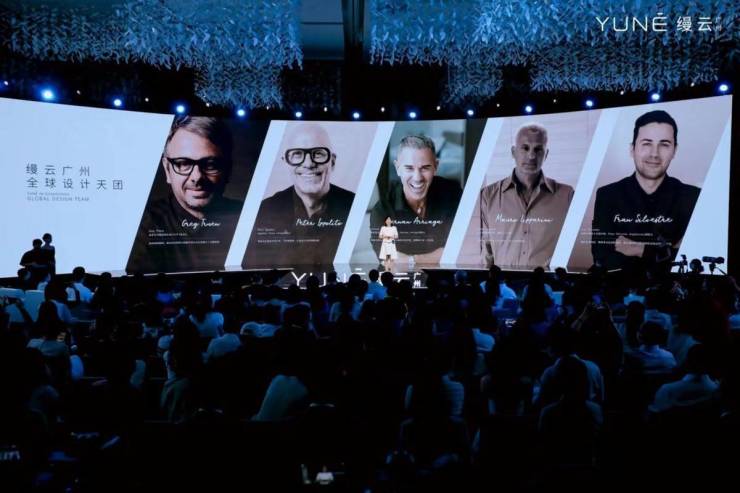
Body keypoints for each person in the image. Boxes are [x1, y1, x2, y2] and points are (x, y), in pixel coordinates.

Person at [127, 116, 243, 274]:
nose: (197, 177)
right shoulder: (142, 224)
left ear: (227, 170)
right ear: (167, 169)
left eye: (210, 164)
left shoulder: (250, 217)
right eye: (183, 163)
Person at [591, 110, 701, 270]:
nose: (654, 154)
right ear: (632, 149)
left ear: (674, 151)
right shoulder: (607, 195)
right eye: (647, 143)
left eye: (664, 144)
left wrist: (639, 249)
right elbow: (601, 256)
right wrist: (666, 253)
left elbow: (694, 258)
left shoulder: (692, 196)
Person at [244, 123, 355, 269]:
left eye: (318, 153)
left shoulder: (355, 207)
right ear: (286, 163)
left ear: (332, 162)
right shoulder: (264, 211)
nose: (308, 164)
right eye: (297, 154)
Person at [479, 123, 574, 269]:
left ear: (546, 154)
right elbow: (486, 252)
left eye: (538, 149)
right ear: (513, 152)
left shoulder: (567, 196)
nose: (531, 156)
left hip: (547, 282)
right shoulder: (488, 195)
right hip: (502, 281)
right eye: (525, 148)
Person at [370, 135, 462, 267]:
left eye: (425, 168)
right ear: (397, 168)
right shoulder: (383, 210)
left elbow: (459, 250)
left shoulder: (453, 195)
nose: (417, 178)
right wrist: (437, 256)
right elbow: (390, 260)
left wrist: (411, 260)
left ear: (436, 166)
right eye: (409, 168)